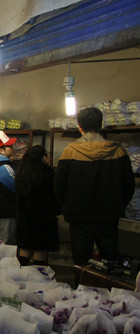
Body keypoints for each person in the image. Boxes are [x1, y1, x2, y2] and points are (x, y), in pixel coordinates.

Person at [54, 107, 134, 265]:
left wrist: (68, 208)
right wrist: (118, 207)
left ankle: (82, 289)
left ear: (79, 127)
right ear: (101, 125)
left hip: (79, 218)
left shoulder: (69, 152)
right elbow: (128, 186)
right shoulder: (118, 151)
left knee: (82, 264)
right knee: (111, 263)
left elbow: (59, 187)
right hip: (109, 217)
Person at [15, 146, 61, 265]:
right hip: (43, 218)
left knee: (25, 250)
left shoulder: (21, 173)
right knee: (40, 251)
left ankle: (20, 277)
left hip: (24, 217)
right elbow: (52, 195)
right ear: (43, 157)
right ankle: (38, 280)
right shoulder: (47, 172)